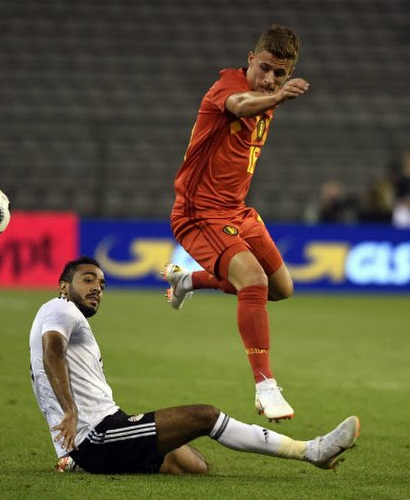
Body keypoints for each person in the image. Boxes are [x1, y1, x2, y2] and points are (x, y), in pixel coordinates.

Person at [29, 257, 360, 475]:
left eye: (101, 284)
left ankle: (76, 463)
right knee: (205, 416)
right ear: (63, 287)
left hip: (103, 431)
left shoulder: (65, 317)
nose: (97, 289)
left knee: (192, 465)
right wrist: (70, 411)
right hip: (98, 437)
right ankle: (310, 451)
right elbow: (52, 352)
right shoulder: (61, 310)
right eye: (88, 281)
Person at [163, 25, 309, 421]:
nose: (270, 79)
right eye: (265, 68)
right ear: (250, 58)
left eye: (280, 74)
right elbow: (240, 104)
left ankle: (188, 280)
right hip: (199, 213)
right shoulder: (226, 88)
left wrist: (274, 94)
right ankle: (265, 386)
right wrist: (277, 95)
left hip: (237, 211)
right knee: (254, 281)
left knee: (282, 289)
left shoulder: (267, 94)